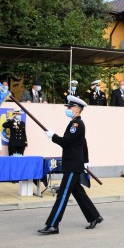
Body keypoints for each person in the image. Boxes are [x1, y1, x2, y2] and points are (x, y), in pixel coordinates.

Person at [38, 96, 103, 235]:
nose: (67, 109)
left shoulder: (77, 124)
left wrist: (52, 136)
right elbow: (83, 143)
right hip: (74, 164)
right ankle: (94, 216)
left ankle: (53, 225)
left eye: (70, 107)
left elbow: (65, 142)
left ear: (77, 109)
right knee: (78, 192)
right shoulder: (75, 124)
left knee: (62, 195)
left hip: (73, 165)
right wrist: (85, 160)